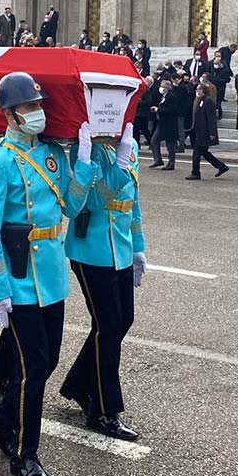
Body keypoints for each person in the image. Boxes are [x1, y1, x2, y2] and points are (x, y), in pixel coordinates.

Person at [0, 72, 96, 476]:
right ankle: (24, 454)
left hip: (51, 276)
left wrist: (82, 164)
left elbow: (72, 206)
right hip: (19, 278)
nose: (37, 114)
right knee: (32, 368)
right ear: (9, 114)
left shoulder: (51, 156)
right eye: (29, 107)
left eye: (39, 106)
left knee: (47, 362)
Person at [61, 122, 143, 441]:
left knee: (122, 321)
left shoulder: (127, 145)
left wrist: (138, 247)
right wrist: (110, 165)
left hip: (120, 248)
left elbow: (133, 204)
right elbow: (88, 203)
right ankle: (102, 409)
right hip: (90, 250)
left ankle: (79, 384)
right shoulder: (83, 149)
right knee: (107, 325)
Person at [186, 82, 229, 180]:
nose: (197, 91)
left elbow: (211, 118)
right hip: (200, 131)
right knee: (204, 152)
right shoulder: (201, 100)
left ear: (203, 91)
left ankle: (195, 172)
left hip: (205, 132)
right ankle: (221, 166)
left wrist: (212, 133)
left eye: (198, 89)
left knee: (197, 152)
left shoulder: (208, 101)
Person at [150, 79, 184, 170]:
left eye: (163, 86)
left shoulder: (172, 97)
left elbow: (171, 110)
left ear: (167, 88)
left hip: (169, 124)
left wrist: (159, 110)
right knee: (154, 141)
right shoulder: (163, 97)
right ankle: (158, 159)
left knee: (170, 145)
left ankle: (171, 163)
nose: (161, 88)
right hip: (161, 123)